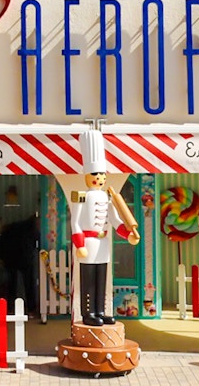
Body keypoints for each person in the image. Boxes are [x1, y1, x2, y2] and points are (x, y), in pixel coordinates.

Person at [70, 135, 139, 327]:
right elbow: (75, 222)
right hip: (88, 243)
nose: (99, 179)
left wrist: (128, 234)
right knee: (88, 279)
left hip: (103, 243)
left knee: (101, 277)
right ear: (87, 176)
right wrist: (79, 244)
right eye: (95, 175)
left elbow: (115, 221)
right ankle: (88, 312)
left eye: (102, 175)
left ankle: (100, 311)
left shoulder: (108, 197)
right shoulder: (81, 197)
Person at [0, 215, 40, 316]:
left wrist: (1, 256)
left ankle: (10, 308)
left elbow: (1, 243)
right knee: (29, 284)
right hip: (25, 258)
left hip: (10, 258)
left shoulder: (11, 228)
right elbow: (36, 243)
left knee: (11, 284)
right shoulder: (32, 229)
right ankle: (31, 309)